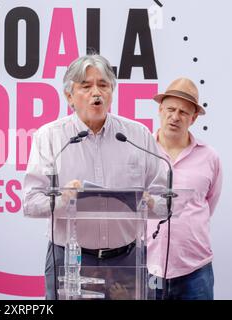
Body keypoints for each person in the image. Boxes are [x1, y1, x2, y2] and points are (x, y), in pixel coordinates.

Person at [22, 54, 167, 300]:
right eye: (86, 86)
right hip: (70, 259)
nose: (96, 92)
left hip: (128, 259)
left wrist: (150, 201)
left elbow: (165, 197)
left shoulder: (137, 136)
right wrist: (62, 197)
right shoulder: (51, 138)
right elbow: (31, 203)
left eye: (103, 85)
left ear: (112, 92)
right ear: (69, 96)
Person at [147, 78, 223, 300]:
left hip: (195, 271)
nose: (175, 116)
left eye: (183, 112)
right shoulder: (141, 152)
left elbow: (208, 204)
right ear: (160, 109)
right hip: (147, 266)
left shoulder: (210, 157)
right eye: (170, 109)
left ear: (194, 118)